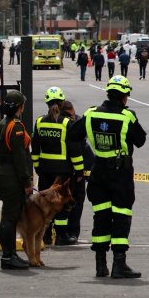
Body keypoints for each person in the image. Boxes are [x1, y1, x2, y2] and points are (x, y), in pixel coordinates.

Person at [68, 76, 147, 278]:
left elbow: (72, 135)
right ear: (124, 97)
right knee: (121, 216)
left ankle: (100, 265)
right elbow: (140, 141)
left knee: (101, 216)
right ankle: (119, 265)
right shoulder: (127, 116)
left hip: (99, 171)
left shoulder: (91, 114)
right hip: (120, 173)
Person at [32, 87, 84, 246]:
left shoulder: (39, 122)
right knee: (62, 202)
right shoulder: (67, 123)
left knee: (45, 202)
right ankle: (61, 235)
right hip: (63, 171)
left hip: (45, 170)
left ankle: (46, 234)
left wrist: (37, 167)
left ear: (47, 102)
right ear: (62, 103)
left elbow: (35, 148)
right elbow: (74, 149)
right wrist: (79, 169)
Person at [0, 90, 34, 269]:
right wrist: (27, 182)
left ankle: (10, 254)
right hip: (12, 176)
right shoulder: (16, 126)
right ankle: (8, 256)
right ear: (20, 106)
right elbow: (19, 157)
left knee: (8, 216)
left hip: (3, 173)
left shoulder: (2, 123)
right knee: (10, 218)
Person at [61, 100, 94, 242]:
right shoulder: (65, 125)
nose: (71, 118)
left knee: (77, 203)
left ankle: (73, 232)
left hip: (79, 171)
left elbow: (84, 150)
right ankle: (63, 233)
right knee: (65, 203)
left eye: (72, 115)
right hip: (68, 171)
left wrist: (82, 172)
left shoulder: (78, 122)